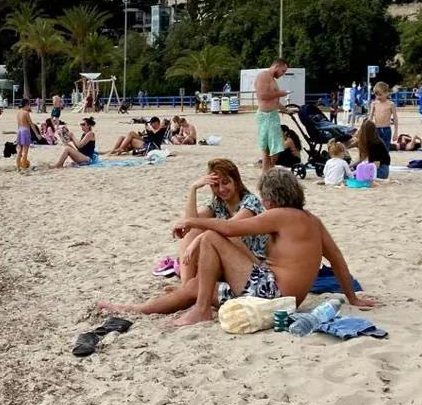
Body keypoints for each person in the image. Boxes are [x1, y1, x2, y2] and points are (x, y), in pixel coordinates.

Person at [163, 168, 375, 327]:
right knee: (197, 286)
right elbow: (336, 259)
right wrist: (352, 297)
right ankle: (141, 308)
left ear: (271, 198)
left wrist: (192, 223)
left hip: (272, 293)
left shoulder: (279, 215)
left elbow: (229, 228)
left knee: (210, 238)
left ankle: (201, 310)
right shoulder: (313, 220)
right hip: (289, 300)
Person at [142, 159, 266, 293]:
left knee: (212, 233)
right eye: (216, 185)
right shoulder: (218, 203)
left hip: (252, 261)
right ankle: (186, 286)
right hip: (229, 256)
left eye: (225, 182)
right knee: (193, 230)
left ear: (235, 181)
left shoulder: (250, 202)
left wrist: (198, 239)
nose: (221, 189)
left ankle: (188, 290)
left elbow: (229, 228)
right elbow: (189, 222)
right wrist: (193, 189)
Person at [254, 58, 289, 173]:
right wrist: (281, 93)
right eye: (282, 71)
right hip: (266, 115)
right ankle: (267, 172)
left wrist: (286, 110)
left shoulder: (272, 79)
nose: (282, 74)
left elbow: (275, 100)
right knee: (270, 148)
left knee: (273, 147)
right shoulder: (263, 76)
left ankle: (268, 171)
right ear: (277, 66)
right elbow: (263, 95)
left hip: (272, 114)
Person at [367, 81, 398, 149]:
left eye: (380, 95)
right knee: (376, 149)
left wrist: (396, 132)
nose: (378, 97)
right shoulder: (374, 104)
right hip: (376, 129)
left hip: (386, 129)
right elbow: (370, 117)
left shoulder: (391, 104)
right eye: (376, 95)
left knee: (385, 149)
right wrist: (367, 129)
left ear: (386, 93)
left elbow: (395, 118)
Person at [15, 98, 34, 171]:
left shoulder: (19, 112)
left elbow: (18, 124)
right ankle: (23, 167)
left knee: (20, 151)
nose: (30, 106)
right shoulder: (26, 113)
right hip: (25, 131)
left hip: (19, 130)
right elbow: (31, 124)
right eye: (29, 105)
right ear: (26, 105)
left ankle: (18, 167)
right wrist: (37, 134)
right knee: (25, 151)